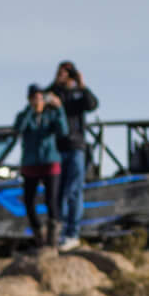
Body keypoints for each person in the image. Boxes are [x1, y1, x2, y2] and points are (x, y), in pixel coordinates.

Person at [49, 61, 98, 250]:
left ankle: (72, 233)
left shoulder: (78, 95)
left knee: (74, 191)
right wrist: (56, 84)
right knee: (59, 192)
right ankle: (60, 234)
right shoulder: (55, 94)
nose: (62, 75)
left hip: (76, 147)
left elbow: (93, 104)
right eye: (60, 72)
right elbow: (40, 98)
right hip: (58, 149)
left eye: (66, 73)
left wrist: (82, 84)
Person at [12, 84, 64, 247]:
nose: (38, 100)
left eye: (40, 97)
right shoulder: (24, 115)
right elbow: (18, 129)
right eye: (34, 97)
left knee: (51, 201)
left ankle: (53, 240)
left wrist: (59, 109)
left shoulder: (52, 114)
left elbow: (63, 131)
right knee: (28, 201)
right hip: (30, 163)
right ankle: (39, 237)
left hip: (50, 161)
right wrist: (30, 111)